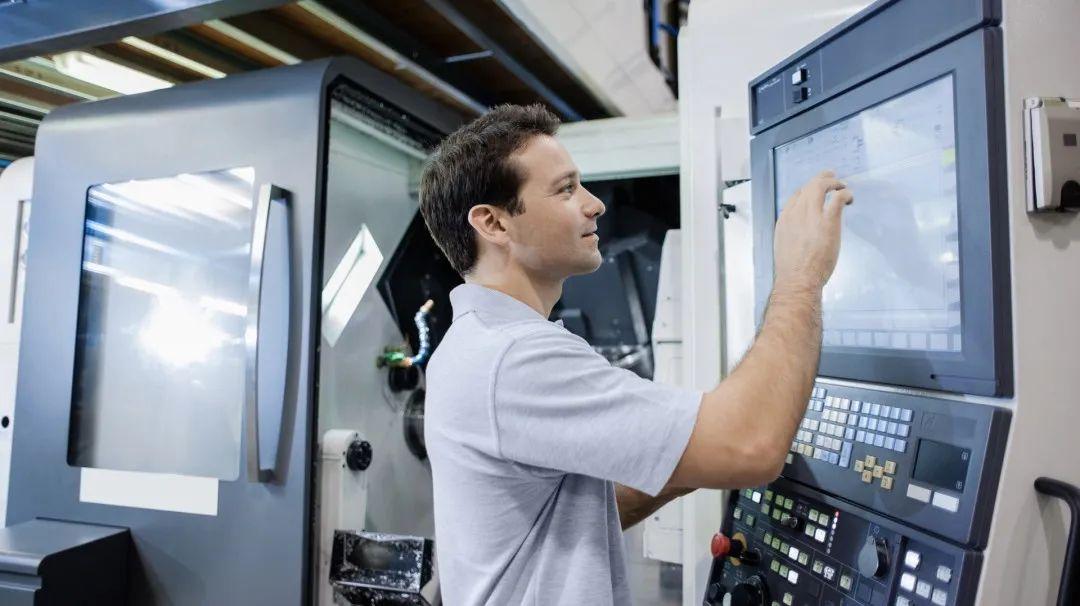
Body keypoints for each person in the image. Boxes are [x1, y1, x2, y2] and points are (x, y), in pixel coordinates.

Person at [418, 104, 853, 605]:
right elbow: (752, 444)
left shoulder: (475, 342)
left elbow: (575, 514)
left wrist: (683, 456)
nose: (594, 204)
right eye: (566, 189)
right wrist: (801, 274)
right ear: (493, 223)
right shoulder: (516, 356)